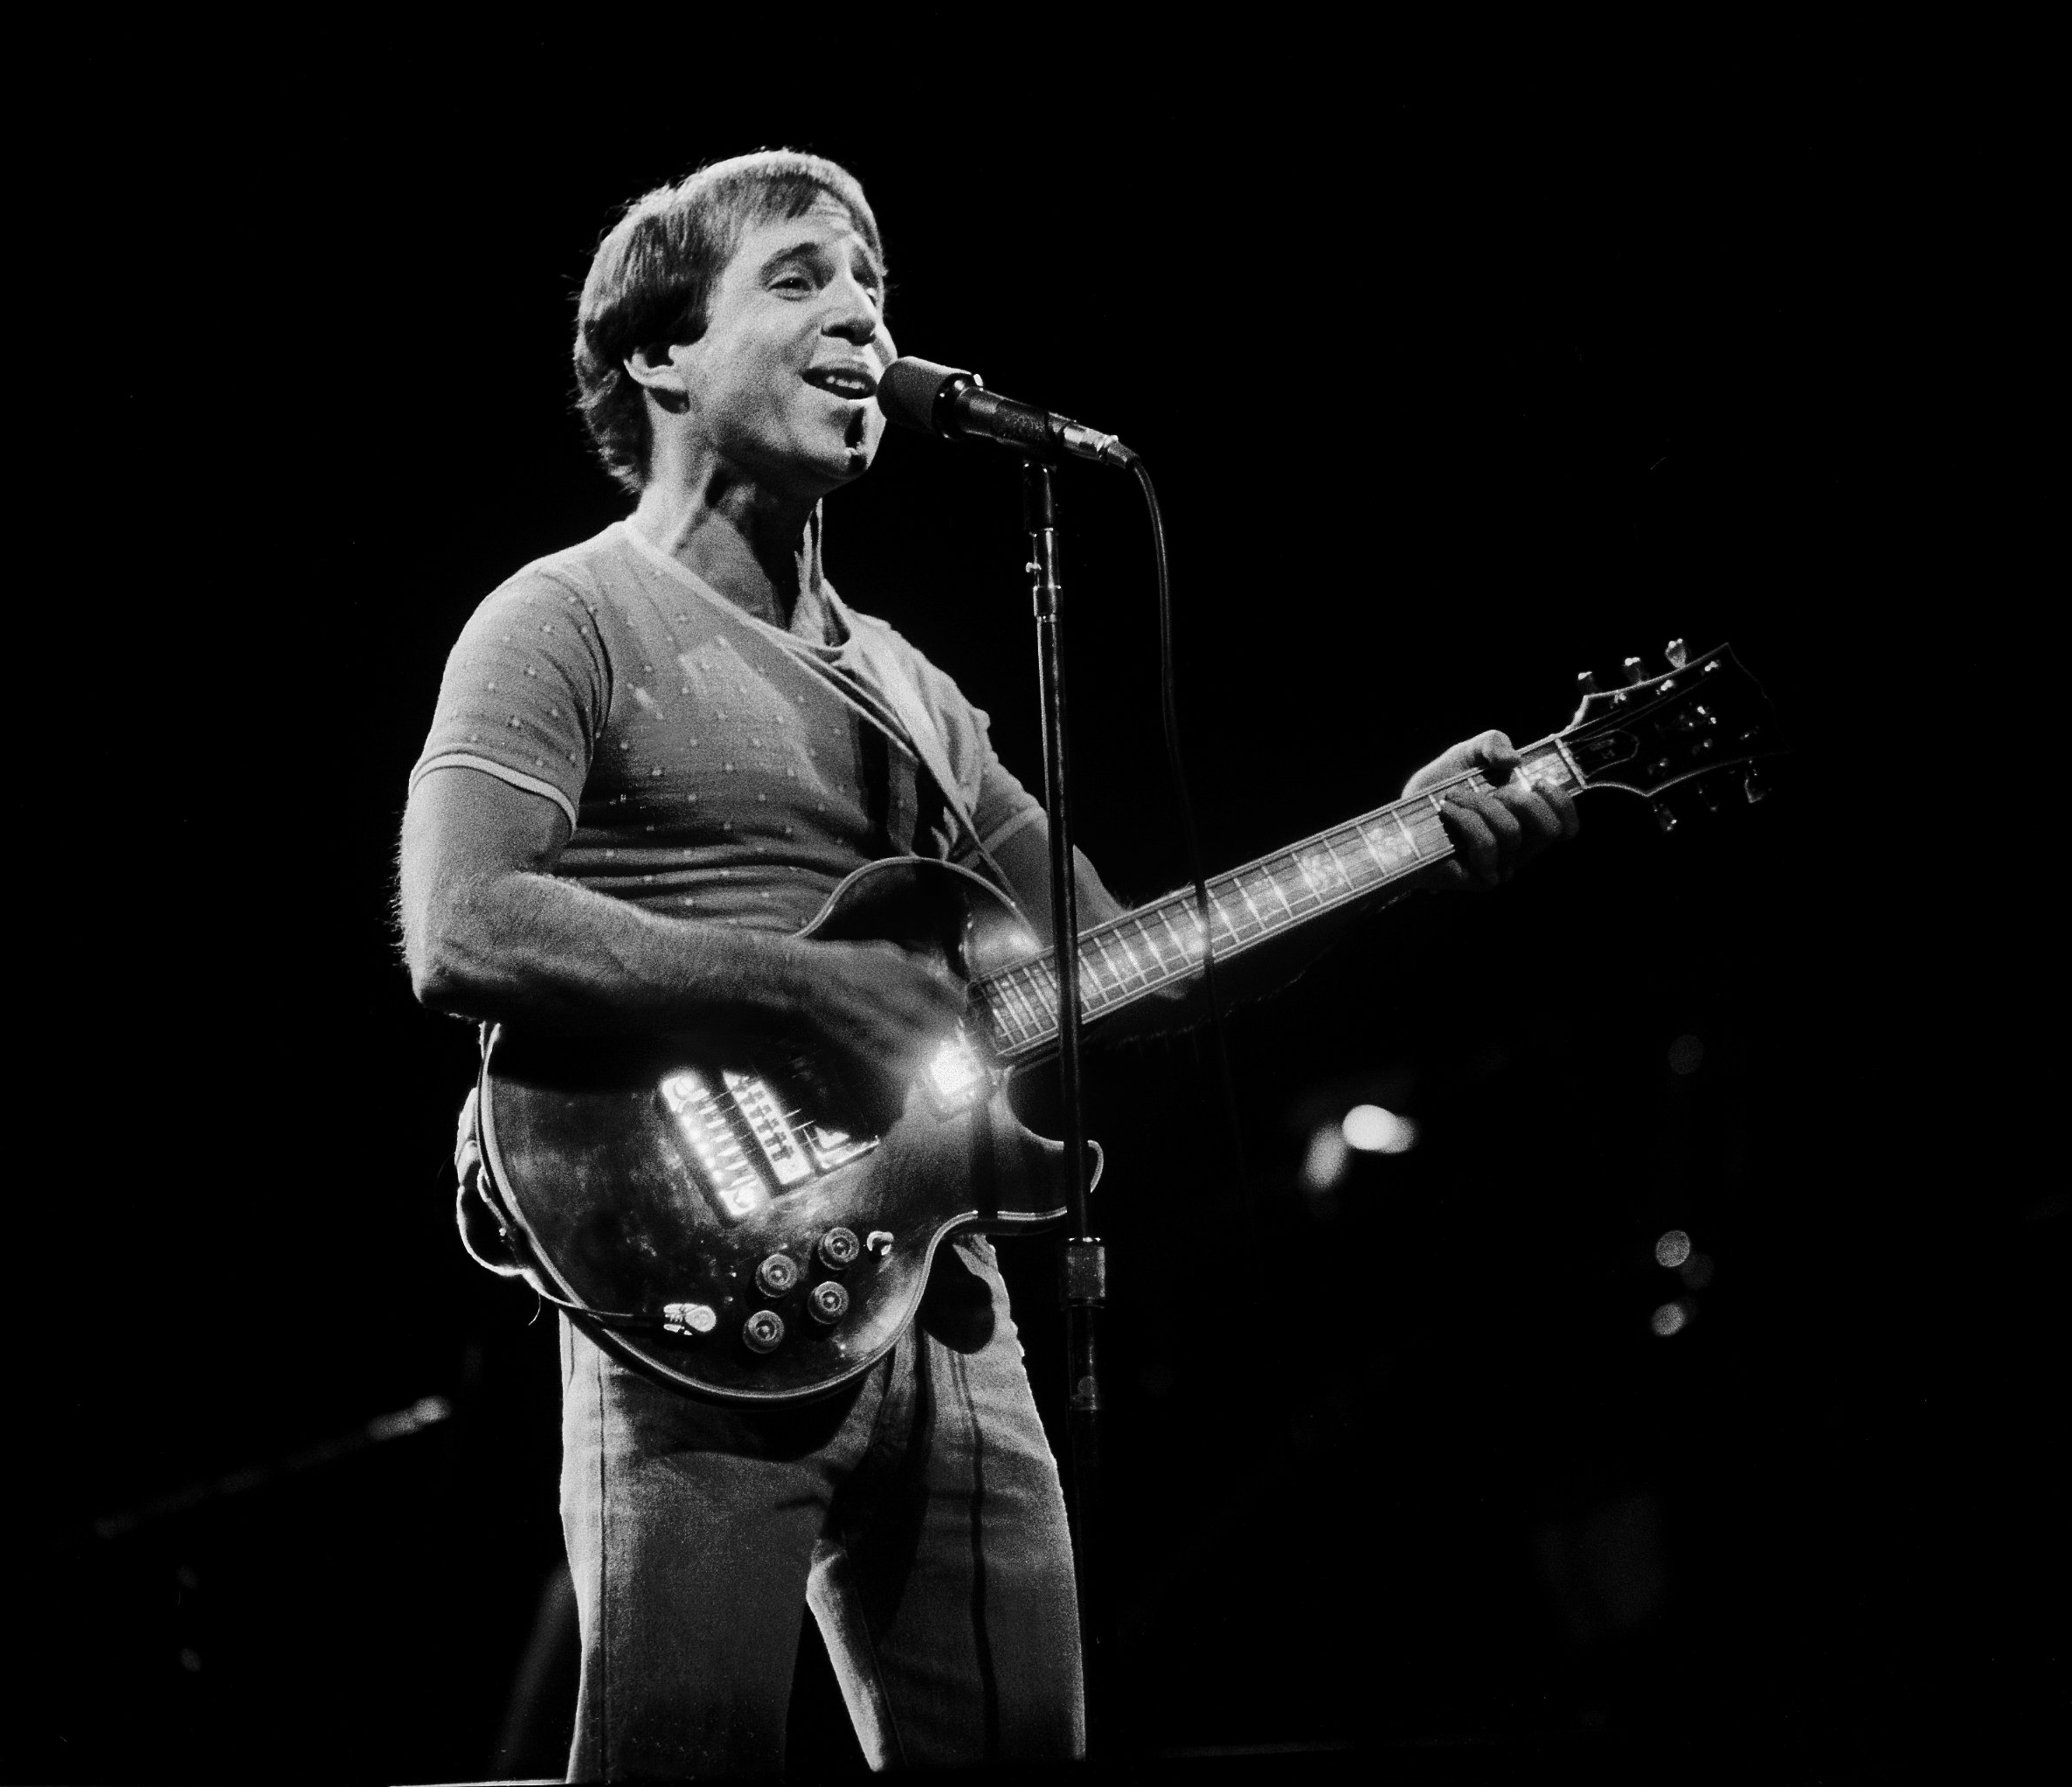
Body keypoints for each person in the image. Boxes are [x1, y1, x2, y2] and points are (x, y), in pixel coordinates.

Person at [397, 149, 1576, 1781]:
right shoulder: (562, 617)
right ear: (657, 354)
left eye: (873, 281)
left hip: (947, 1307)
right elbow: (463, 927)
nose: (861, 313)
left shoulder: (921, 692)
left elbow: (1127, 966)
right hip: (682, 1289)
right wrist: (802, 987)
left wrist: (1404, 854)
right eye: (798, 278)